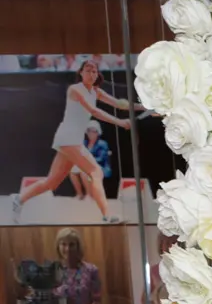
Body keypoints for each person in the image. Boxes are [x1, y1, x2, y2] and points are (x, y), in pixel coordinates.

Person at [11, 60, 131, 223]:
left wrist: (144, 107)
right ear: (81, 73)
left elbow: (119, 104)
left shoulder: (96, 92)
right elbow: (94, 111)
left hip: (70, 140)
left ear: (97, 74)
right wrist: (120, 122)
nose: (91, 73)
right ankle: (107, 215)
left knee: (51, 183)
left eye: (94, 71)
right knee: (96, 172)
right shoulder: (75, 89)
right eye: (87, 70)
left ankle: (19, 199)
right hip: (68, 137)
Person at [52, 228, 102, 304]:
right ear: (58, 246)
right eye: (63, 244)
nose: (67, 249)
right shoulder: (52, 271)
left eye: (71, 245)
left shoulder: (91, 270)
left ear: (78, 247)